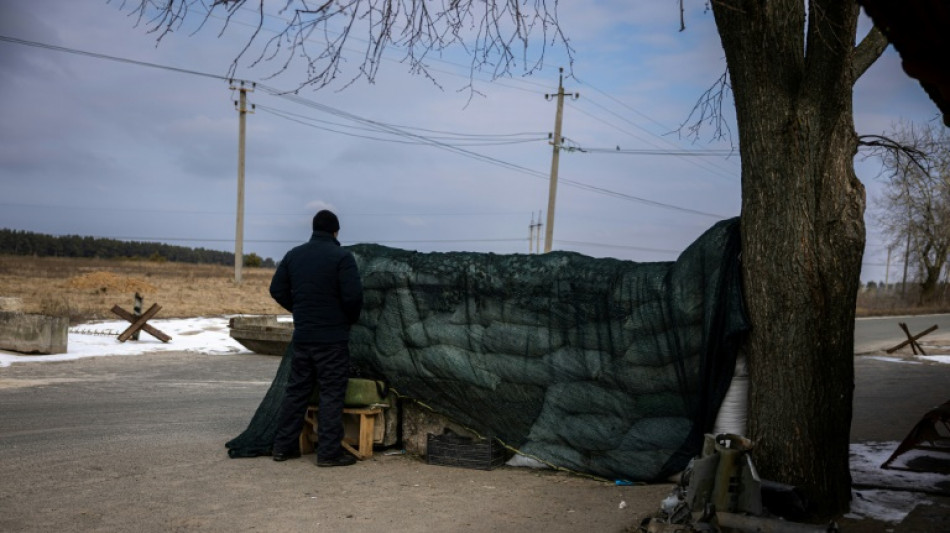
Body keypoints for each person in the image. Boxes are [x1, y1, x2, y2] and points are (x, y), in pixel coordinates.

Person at [269, 209, 364, 467]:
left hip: (303, 337)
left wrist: (299, 309)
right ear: (336, 232)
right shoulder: (342, 258)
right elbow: (353, 297)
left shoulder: (294, 255)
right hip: (332, 339)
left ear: (313, 229)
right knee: (331, 393)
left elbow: (276, 289)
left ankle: (283, 447)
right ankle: (328, 453)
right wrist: (347, 319)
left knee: (296, 392)